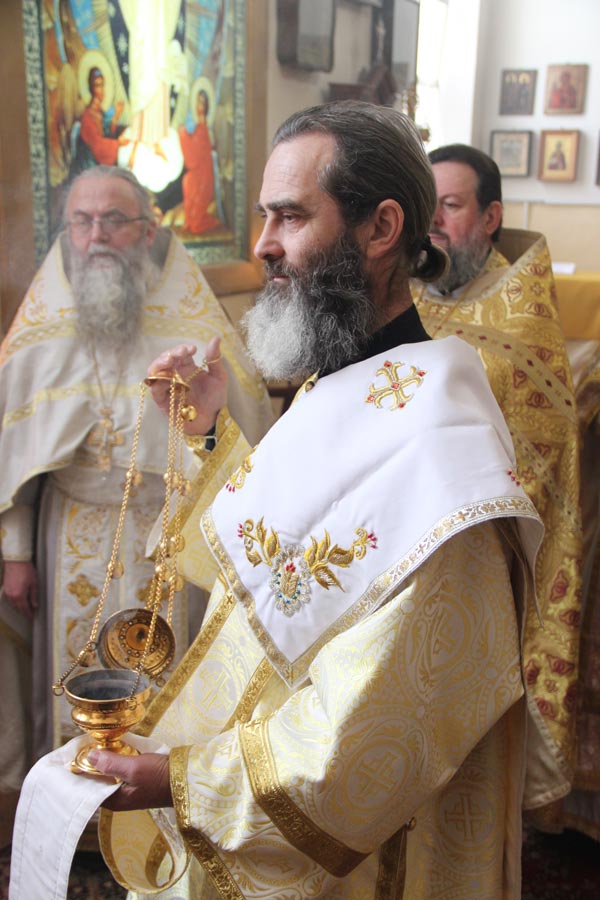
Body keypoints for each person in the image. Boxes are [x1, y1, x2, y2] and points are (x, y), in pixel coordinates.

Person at [53, 100, 572, 900]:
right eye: (266, 215)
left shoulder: (444, 448)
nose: (263, 244)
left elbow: (375, 741)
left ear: (381, 227)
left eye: (291, 216)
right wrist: (208, 435)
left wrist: (179, 782)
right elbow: (277, 565)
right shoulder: (347, 383)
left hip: (359, 857)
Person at [0, 166, 274, 791]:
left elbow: (241, 437)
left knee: (164, 679)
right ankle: (72, 806)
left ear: (148, 232)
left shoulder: (194, 327)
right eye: (82, 221)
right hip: (68, 525)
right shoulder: (40, 331)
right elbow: (11, 454)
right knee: (69, 672)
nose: (96, 235)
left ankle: (155, 804)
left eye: (114, 220)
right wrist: (15, 553)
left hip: (168, 536)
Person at [411, 144, 583, 829]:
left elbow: (542, 458)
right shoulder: (398, 300)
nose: (433, 223)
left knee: (471, 774)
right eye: (425, 207)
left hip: (486, 563)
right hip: (400, 551)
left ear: (490, 218)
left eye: (450, 206)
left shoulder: (521, 318)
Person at [178, 87, 221, 235]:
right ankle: (189, 219)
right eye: (198, 102)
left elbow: (194, 157)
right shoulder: (198, 127)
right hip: (194, 175)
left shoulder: (203, 129)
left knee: (196, 225)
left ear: (207, 105)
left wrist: (183, 134)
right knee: (187, 181)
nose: (199, 106)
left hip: (204, 177)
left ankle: (203, 221)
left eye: (202, 102)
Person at [70, 67, 129, 174]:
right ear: (91, 88)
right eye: (97, 86)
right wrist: (118, 143)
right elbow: (98, 147)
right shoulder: (87, 117)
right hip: (89, 167)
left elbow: (107, 134)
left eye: (102, 85)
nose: (101, 90)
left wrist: (116, 116)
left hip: (98, 160)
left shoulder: (99, 112)